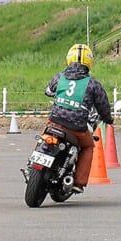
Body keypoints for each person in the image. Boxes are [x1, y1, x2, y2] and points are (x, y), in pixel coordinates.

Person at [44, 43, 113, 194]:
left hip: (55, 120)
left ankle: (35, 160)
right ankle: (79, 182)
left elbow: (48, 90)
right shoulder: (93, 84)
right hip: (77, 126)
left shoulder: (59, 77)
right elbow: (103, 106)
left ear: (69, 59)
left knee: (45, 137)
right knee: (88, 147)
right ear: (89, 62)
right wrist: (108, 119)